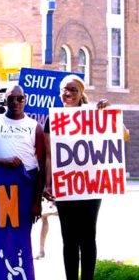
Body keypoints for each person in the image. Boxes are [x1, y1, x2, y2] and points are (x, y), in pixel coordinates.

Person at [43, 75, 128, 280]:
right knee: (69, 239)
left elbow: (123, 135)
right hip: (66, 185)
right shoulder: (53, 119)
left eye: (73, 89)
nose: (68, 93)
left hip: (91, 186)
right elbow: (49, 155)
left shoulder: (94, 114)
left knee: (88, 237)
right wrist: (48, 183)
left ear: (81, 93)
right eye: (65, 89)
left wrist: (109, 113)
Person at [0, 85, 45, 223]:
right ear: (5, 101)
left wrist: (37, 202)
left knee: (23, 233)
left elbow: (42, 166)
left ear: (25, 100)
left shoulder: (35, 127)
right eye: (11, 99)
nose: (16, 102)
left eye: (20, 99)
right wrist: (3, 161)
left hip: (26, 185)